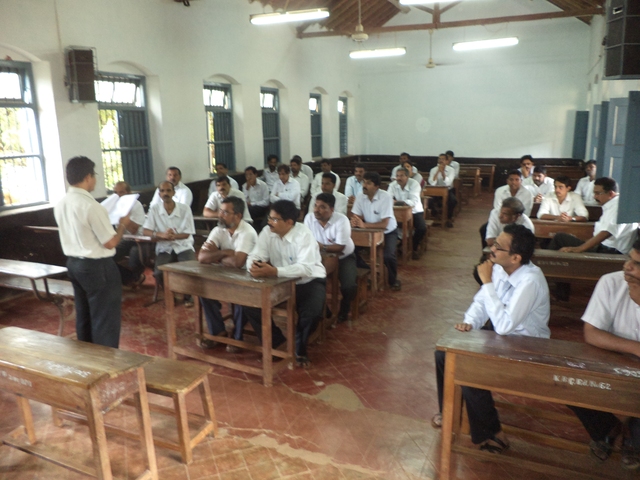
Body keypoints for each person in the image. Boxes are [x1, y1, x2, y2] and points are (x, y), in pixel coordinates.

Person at [432, 225, 550, 455]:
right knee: (443, 354)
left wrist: (486, 282)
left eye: (498, 247)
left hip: (527, 345)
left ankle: (493, 433)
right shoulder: (500, 268)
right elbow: (481, 303)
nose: (492, 249)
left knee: (470, 369)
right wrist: (470, 323)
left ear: (516, 257)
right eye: (494, 243)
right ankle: (448, 411)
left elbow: (505, 326)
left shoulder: (530, 281)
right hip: (500, 337)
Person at [567, 238, 640, 468]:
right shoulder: (611, 282)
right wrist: (635, 348)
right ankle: (608, 429)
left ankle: (633, 437)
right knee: (568, 383)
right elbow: (591, 333)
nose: (627, 266)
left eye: (637, 264)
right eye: (629, 259)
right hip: (614, 362)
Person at [54, 156, 132, 348]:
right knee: (105, 319)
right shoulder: (91, 206)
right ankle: (106, 360)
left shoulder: (61, 203)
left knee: (85, 315)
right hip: (97, 267)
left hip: (74, 264)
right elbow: (110, 243)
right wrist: (122, 225)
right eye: (94, 175)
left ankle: (87, 357)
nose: (95, 180)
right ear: (88, 177)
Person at [243, 200, 326, 367]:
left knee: (312, 313)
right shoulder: (267, 232)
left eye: (274, 219)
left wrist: (274, 271)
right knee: (250, 304)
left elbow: (306, 269)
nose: (269, 222)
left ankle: (300, 348)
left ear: (289, 222)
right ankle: (277, 343)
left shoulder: (304, 235)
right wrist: (254, 265)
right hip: (279, 282)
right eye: (269, 218)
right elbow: (255, 254)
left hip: (308, 281)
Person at [198, 197, 257, 351]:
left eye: (225, 212)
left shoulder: (247, 232)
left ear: (238, 216)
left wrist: (216, 256)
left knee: (241, 297)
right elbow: (202, 257)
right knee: (203, 291)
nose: (220, 215)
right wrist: (225, 252)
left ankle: (237, 337)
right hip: (224, 275)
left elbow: (238, 262)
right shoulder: (218, 230)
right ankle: (218, 332)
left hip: (248, 278)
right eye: (220, 211)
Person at [548, 177, 638, 255]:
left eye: (598, 193)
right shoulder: (613, 204)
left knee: (559, 238)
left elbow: (607, 232)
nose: (595, 197)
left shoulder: (619, 207)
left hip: (609, 250)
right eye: (594, 193)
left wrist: (580, 248)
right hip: (603, 246)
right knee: (560, 237)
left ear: (611, 194)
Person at [304, 193, 357, 323]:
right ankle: (325, 310)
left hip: (344, 257)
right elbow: (307, 241)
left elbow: (340, 247)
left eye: (322, 207)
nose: (316, 210)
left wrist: (321, 246)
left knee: (348, 286)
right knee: (312, 283)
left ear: (332, 209)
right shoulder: (309, 218)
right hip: (319, 258)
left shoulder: (342, 220)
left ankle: (344, 308)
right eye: (315, 206)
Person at [143, 181, 196, 306]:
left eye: (168, 190)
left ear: (174, 193)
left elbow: (187, 233)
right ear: (159, 194)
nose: (165, 193)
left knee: (190, 269)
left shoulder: (184, 209)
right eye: (162, 191)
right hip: (164, 247)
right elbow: (146, 231)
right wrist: (161, 235)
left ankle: (188, 296)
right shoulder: (155, 209)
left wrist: (173, 236)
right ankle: (172, 294)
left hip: (183, 246)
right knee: (158, 272)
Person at [350, 172, 401, 291]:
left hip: (388, 232)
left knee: (388, 255)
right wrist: (355, 221)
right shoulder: (360, 196)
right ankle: (368, 271)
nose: (364, 185)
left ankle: (393, 280)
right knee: (350, 250)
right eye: (364, 182)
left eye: (368, 183)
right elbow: (356, 216)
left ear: (377, 186)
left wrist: (364, 225)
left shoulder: (385, 197)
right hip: (369, 231)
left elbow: (384, 224)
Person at [111, 181, 147, 286]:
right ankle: (128, 278)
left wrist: (123, 217)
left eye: (121, 192)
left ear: (129, 193)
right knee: (107, 255)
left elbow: (134, 230)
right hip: (123, 238)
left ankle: (134, 277)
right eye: (115, 192)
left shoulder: (136, 205)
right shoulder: (114, 205)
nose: (118, 195)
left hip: (137, 239)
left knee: (134, 256)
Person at [388, 167, 427, 259]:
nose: (398, 178)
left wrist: (397, 202)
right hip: (398, 212)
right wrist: (400, 203)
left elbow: (413, 201)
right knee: (389, 226)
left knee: (422, 228)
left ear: (407, 176)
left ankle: (413, 247)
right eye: (397, 176)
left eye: (401, 176)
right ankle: (396, 246)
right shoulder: (393, 185)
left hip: (415, 211)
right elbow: (388, 198)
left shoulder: (414, 184)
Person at [428, 153, 457, 228]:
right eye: (439, 159)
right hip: (435, 191)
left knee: (453, 200)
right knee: (428, 201)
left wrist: (443, 172)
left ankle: (448, 218)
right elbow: (432, 183)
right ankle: (436, 214)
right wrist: (438, 171)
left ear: (447, 161)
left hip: (448, 190)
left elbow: (448, 183)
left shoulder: (451, 170)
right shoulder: (433, 170)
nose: (441, 161)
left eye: (443, 159)